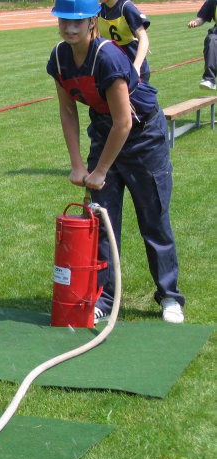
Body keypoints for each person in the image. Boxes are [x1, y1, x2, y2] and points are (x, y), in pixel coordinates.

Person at [46, 0, 185, 323]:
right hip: (104, 132)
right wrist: (79, 165)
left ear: (93, 22)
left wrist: (102, 170)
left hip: (142, 136)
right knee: (102, 224)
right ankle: (104, 299)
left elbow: (125, 122)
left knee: (153, 218)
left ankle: (169, 296)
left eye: (78, 22)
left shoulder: (106, 56)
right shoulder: (59, 58)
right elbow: (67, 111)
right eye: (65, 20)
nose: (70, 28)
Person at [98, 0, 151, 82]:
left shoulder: (126, 7)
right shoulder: (99, 10)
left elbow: (143, 38)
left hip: (133, 67)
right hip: (114, 68)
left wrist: (136, 67)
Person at [187, 0, 217, 90]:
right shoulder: (213, 2)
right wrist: (196, 22)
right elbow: (203, 17)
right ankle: (209, 80)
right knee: (211, 39)